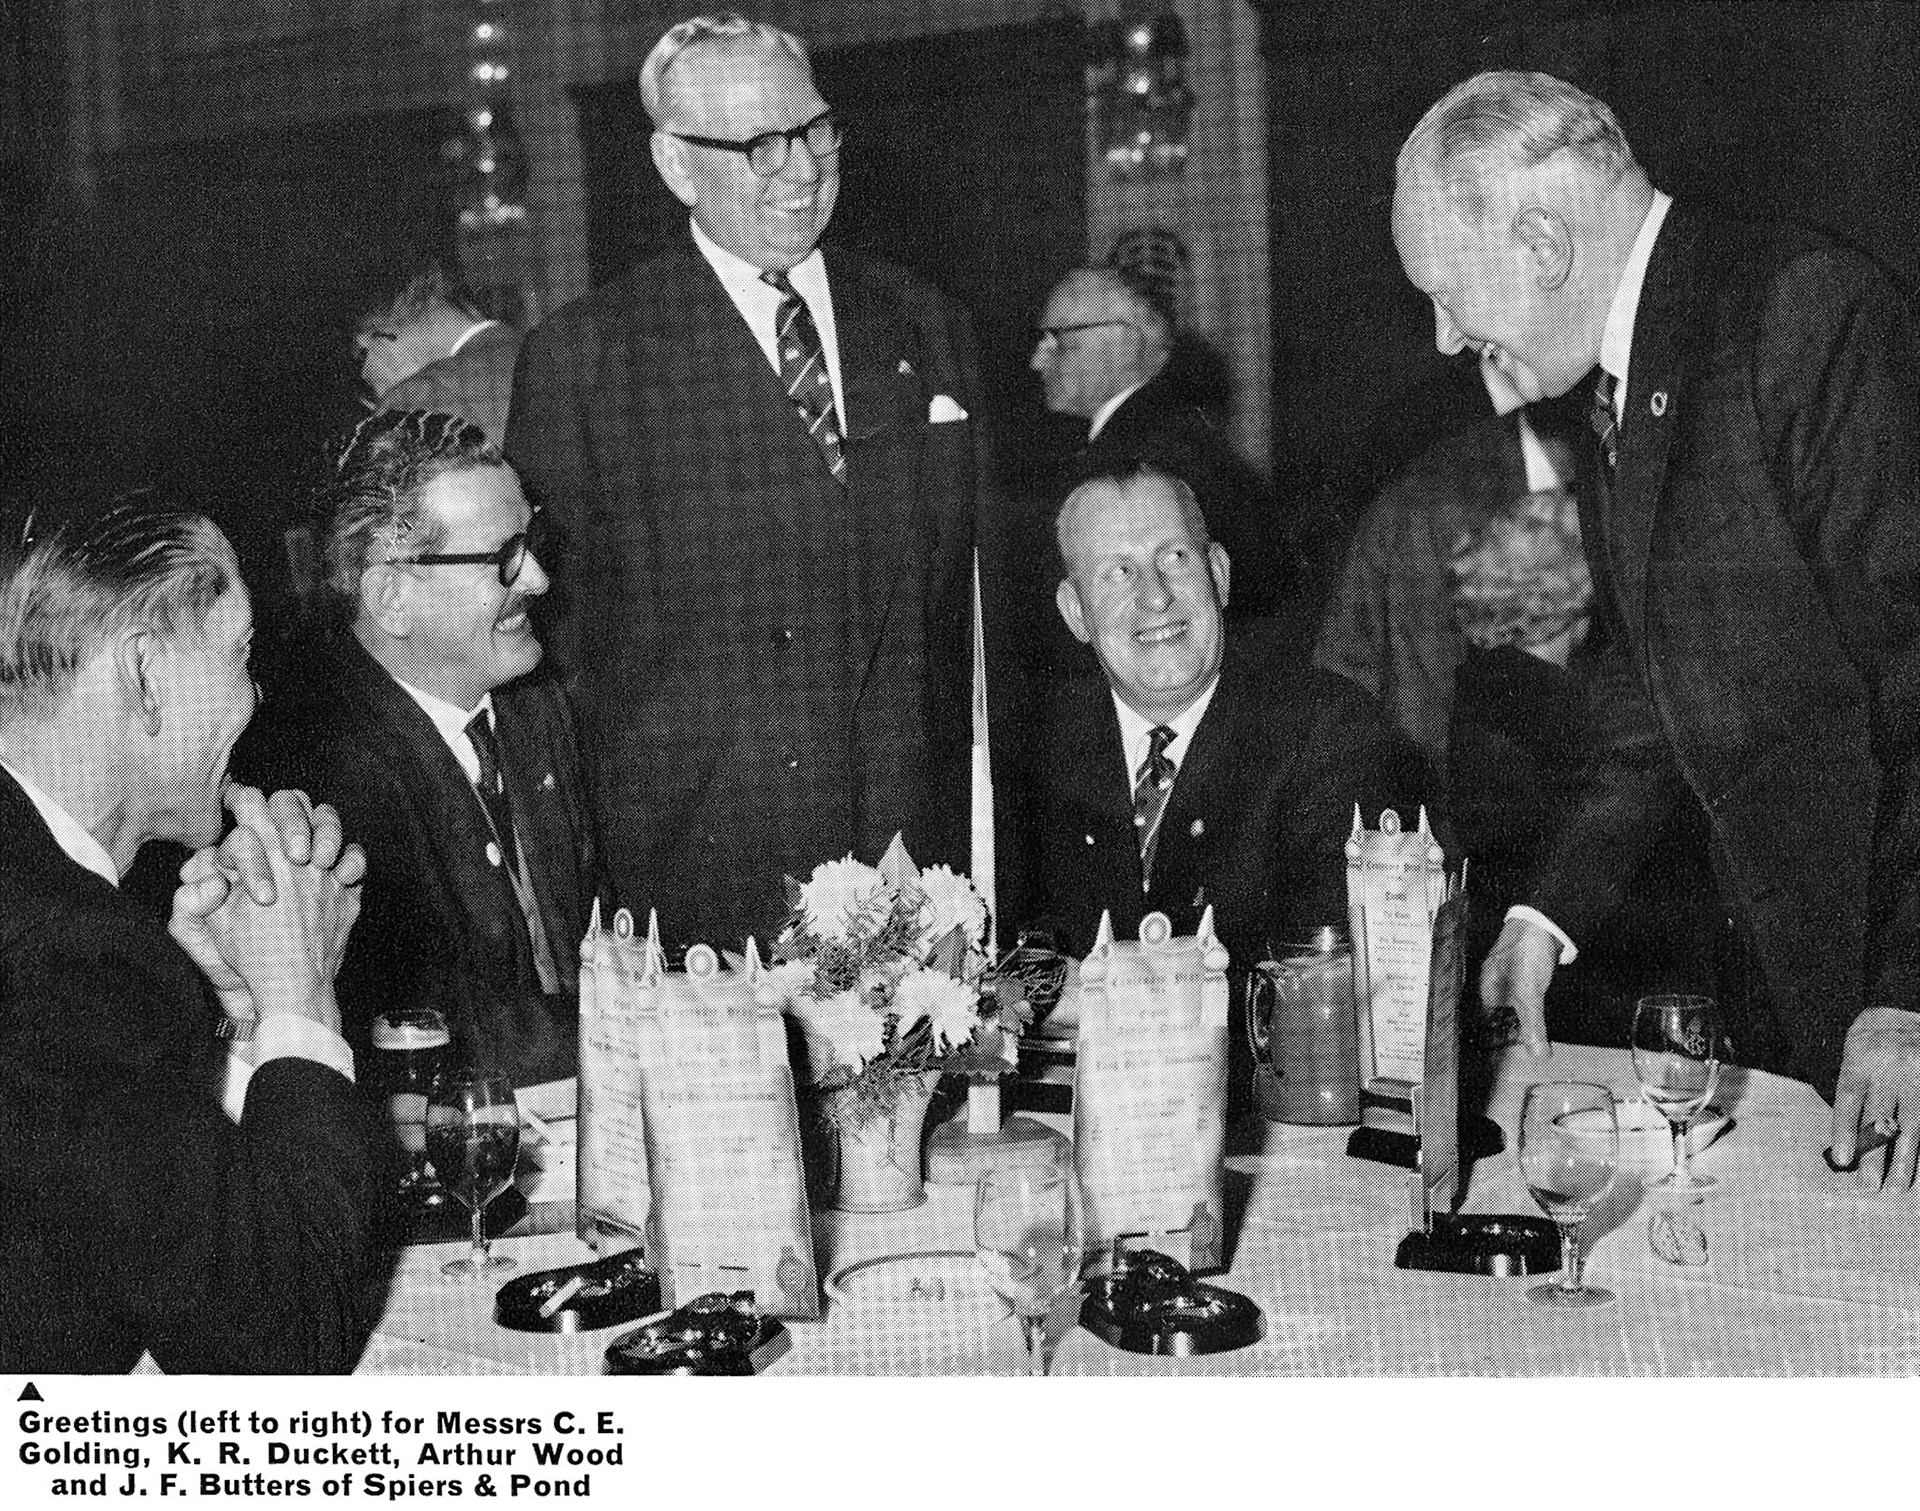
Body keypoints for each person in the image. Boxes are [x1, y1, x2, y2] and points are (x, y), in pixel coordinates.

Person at [1393, 69, 1920, 1188]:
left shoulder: (1800, 309)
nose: (1445, 338)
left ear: (1541, 244)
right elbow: (1657, 690)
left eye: (1446, 293)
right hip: (1793, 999)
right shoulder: (1614, 379)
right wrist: (1546, 910)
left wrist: (1908, 993)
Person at [507, 12, 998, 950]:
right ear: (676, 165)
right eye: (761, 145)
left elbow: (974, 618)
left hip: (917, 878)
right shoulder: (586, 361)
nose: (805, 170)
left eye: (815, 129)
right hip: (706, 883)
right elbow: (558, 663)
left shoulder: (926, 326)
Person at [0, 495, 384, 1373]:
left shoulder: (49, 901)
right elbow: (273, 1357)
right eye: (242, 652)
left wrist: (244, 1012)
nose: (257, 694)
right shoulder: (70, 951)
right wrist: (301, 994)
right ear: (142, 672)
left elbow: (172, 1254)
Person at [1021, 465, 1428, 1112]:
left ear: (1220, 573)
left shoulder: (1329, 730)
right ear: (1076, 612)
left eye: (1174, 558)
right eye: (1118, 572)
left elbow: (1335, 1001)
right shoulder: (1034, 750)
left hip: (1272, 1139)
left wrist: (1100, 1000)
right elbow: (1002, 956)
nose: (1155, 597)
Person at [296, 409, 606, 1087]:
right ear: (392, 599)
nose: (538, 581)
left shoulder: (534, 707)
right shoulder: (325, 770)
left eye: (532, 542)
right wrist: (655, 1017)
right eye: (504, 558)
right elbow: (436, 1039)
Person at [1031, 265, 1279, 617]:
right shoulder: (1177, 433)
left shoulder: (1136, 457)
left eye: (1057, 339)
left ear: (1125, 344)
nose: (1038, 360)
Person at [355, 260, 520, 445]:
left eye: (363, 354)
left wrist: (394, 400)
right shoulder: (536, 351)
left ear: (374, 337)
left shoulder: (414, 398)